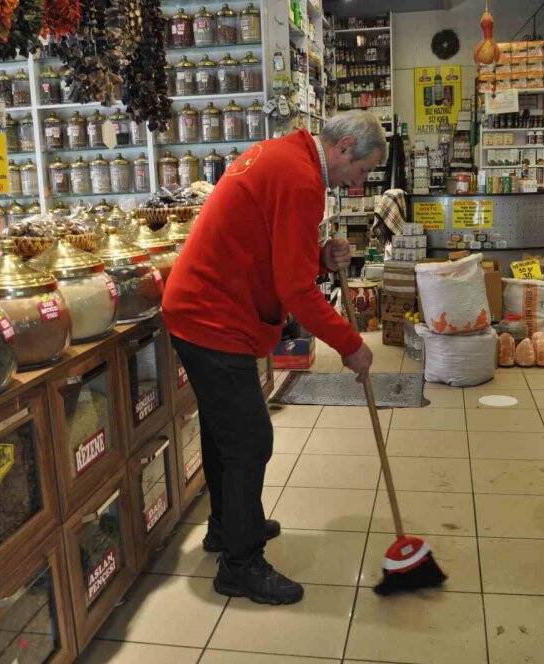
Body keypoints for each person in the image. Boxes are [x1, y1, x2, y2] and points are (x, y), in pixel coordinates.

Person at [162, 110, 385, 605]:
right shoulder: (301, 177)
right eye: (364, 169)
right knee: (249, 439)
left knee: (228, 436)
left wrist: (319, 253)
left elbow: (276, 246)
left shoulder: (289, 157)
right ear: (344, 147)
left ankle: (228, 528)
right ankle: (239, 566)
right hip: (212, 315)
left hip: (205, 306)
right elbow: (295, 289)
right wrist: (351, 344)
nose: (359, 180)